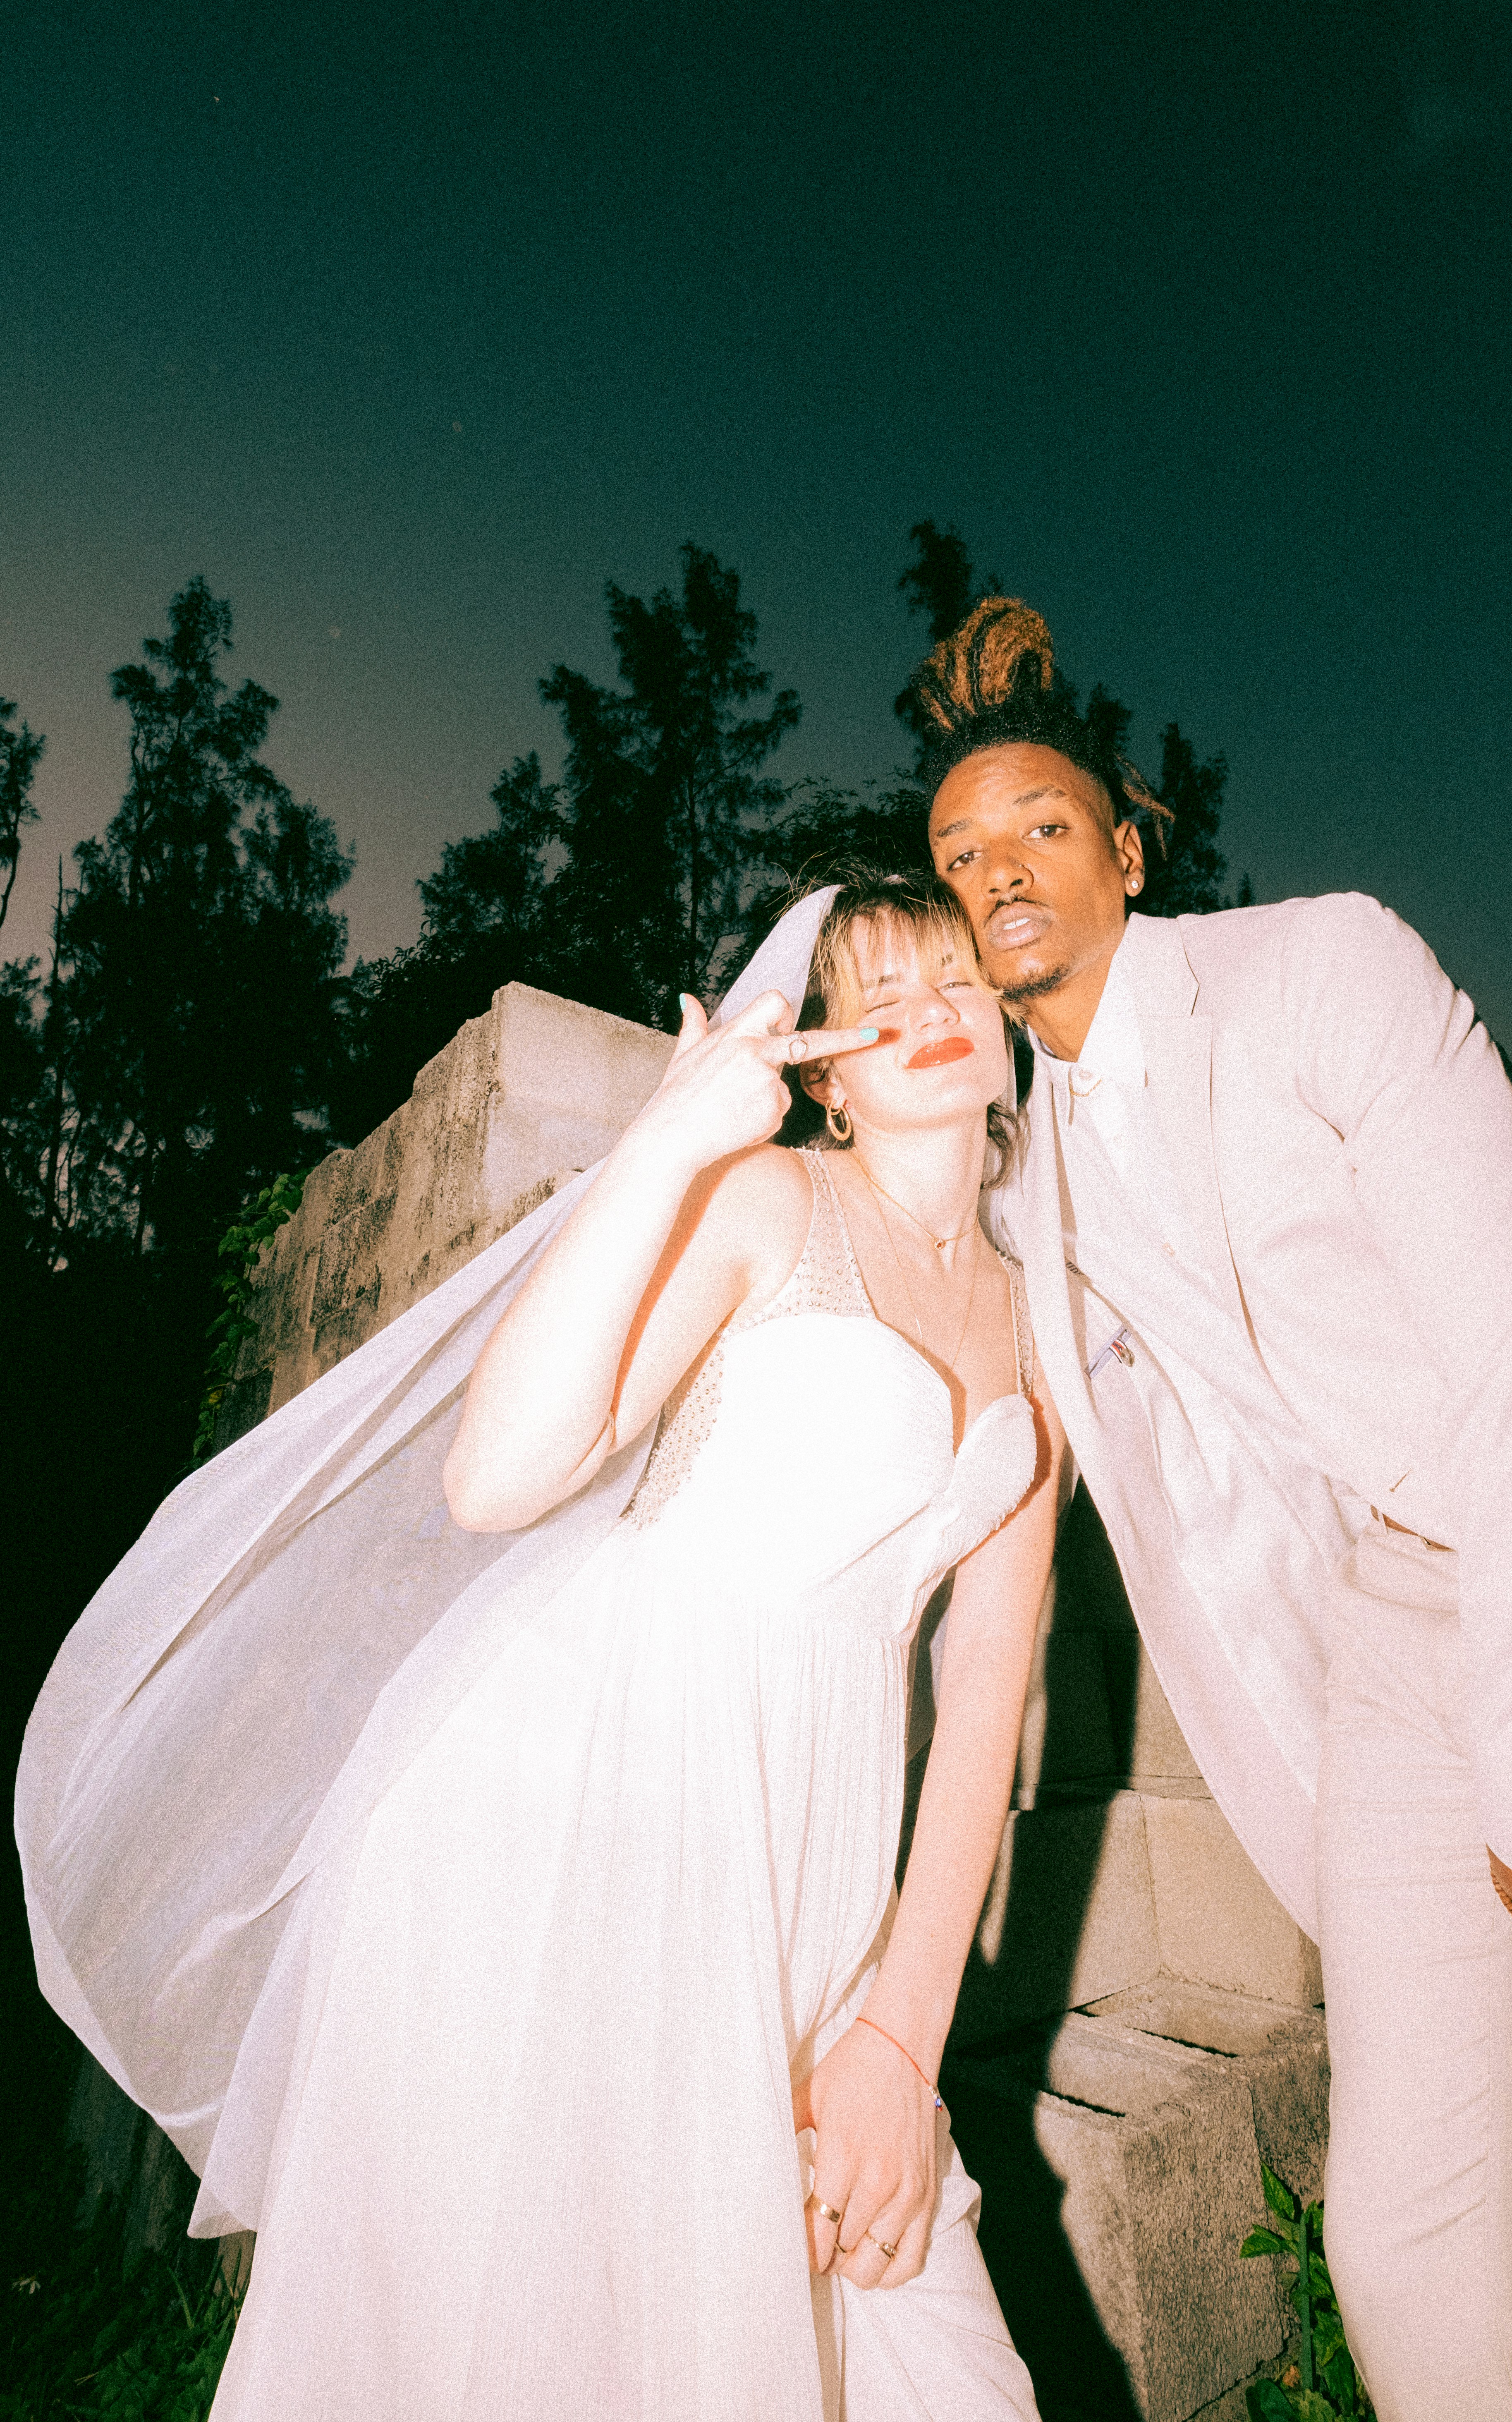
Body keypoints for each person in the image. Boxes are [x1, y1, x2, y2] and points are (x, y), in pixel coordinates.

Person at [20, 874, 1065, 2422]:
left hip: (816, 1892)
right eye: (879, 989)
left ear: (1009, 1033)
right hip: (582, 1831)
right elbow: (497, 1477)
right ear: (827, 1074)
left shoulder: (1036, 1328)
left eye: (958, 979)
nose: (925, 1009)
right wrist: (668, 1142)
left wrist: (901, 2046)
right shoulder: (765, 1201)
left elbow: (983, 1705)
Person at [914, 599, 1512, 2422]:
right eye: (957, 855)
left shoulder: (1326, 971)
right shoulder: (1023, 1189)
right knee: (1416, 2267)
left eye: (1038, 825)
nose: (997, 870)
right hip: (1405, 1617)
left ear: (1126, 849)